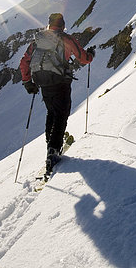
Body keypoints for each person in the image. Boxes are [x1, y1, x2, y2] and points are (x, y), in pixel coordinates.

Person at [20, 13, 95, 172]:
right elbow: (82, 57)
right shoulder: (65, 38)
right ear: (62, 25)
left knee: (52, 112)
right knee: (61, 113)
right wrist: (91, 55)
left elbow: (24, 61)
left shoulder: (37, 41)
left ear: (48, 25)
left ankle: (50, 144)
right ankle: (53, 150)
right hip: (59, 80)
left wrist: (28, 82)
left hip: (42, 81)